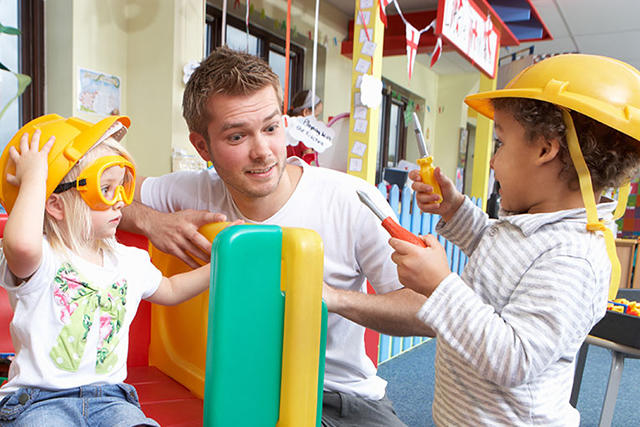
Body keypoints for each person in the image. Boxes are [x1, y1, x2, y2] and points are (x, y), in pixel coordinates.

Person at [120, 46, 432, 426]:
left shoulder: (351, 200)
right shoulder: (193, 190)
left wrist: (330, 299)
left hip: (337, 397)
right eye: (237, 137)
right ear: (202, 146)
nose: (263, 152)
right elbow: (104, 195)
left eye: (271, 128)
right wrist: (151, 221)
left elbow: (424, 310)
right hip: (233, 389)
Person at [388, 54, 640, 426]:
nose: (492, 162)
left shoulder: (573, 257)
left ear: (544, 149)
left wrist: (440, 286)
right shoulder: (532, 224)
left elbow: (514, 358)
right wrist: (454, 209)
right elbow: (498, 254)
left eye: (501, 143)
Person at [0, 115, 220, 426]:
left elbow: (170, 290)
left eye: (123, 186)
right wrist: (35, 177)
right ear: (56, 205)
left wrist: (219, 266)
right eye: (106, 189)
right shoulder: (43, 259)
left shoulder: (130, 260)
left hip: (110, 397)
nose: (120, 202)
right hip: (39, 401)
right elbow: (21, 245)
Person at [286, 89, 323, 166]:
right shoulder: (303, 132)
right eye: (316, 116)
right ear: (305, 112)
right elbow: (308, 159)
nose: (317, 120)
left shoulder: (287, 125)